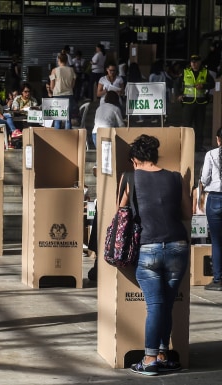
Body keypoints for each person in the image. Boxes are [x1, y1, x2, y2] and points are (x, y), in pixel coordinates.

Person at [121, 134, 191, 376]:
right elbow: (187, 214)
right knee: (167, 306)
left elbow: (121, 213)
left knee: (155, 306)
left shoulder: (131, 178)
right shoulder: (175, 177)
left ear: (135, 159)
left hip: (148, 248)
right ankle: (163, 354)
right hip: (177, 247)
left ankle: (149, 359)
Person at [174, 54, 215, 151]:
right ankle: (185, 146)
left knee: (200, 126)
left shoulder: (205, 72)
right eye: (192, 62)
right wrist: (178, 95)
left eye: (196, 62)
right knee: (186, 125)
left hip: (201, 103)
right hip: (188, 103)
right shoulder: (185, 72)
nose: (194, 64)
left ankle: (198, 147)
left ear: (200, 62)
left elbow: (212, 84)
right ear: (190, 63)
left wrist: (204, 85)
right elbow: (176, 84)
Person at [200, 127, 222, 291]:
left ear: (218, 139)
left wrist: (206, 185)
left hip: (215, 198)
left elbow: (205, 177)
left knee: (216, 241)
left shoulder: (211, 155)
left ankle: (217, 279)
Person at [48, 53, 76, 129]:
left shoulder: (54, 70)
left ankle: (58, 138)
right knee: (67, 119)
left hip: (57, 95)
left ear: (58, 60)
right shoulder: (71, 70)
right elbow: (73, 85)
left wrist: (51, 89)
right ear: (67, 60)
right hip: (69, 95)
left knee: (57, 119)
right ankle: (68, 137)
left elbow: (52, 86)